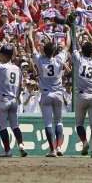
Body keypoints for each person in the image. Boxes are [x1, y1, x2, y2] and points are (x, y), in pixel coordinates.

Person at [28, 26, 69, 157]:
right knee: (59, 122)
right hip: (58, 94)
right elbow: (67, 46)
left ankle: (52, 150)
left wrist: (30, 33)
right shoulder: (58, 60)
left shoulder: (40, 60)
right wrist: (68, 32)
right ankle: (60, 147)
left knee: (48, 123)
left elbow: (31, 45)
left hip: (45, 94)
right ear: (54, 52)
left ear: (44, 52)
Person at [0, 44, 27, 157]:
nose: (0, 56)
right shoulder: (17, 68)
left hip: (3, 99)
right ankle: (20, 144)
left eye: (1, 54)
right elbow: (19, 87)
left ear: (4, 55)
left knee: (3, 126)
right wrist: (17, 98)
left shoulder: (1, 67)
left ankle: (7, 150)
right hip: (14, 99)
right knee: (15, 125)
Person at [72, 39, 92, 158]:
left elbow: (73, 48)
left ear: (82, 51)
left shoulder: (79, 60)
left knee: (79, 124)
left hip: (81, 95)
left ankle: (84, 142)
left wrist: (70, 32)